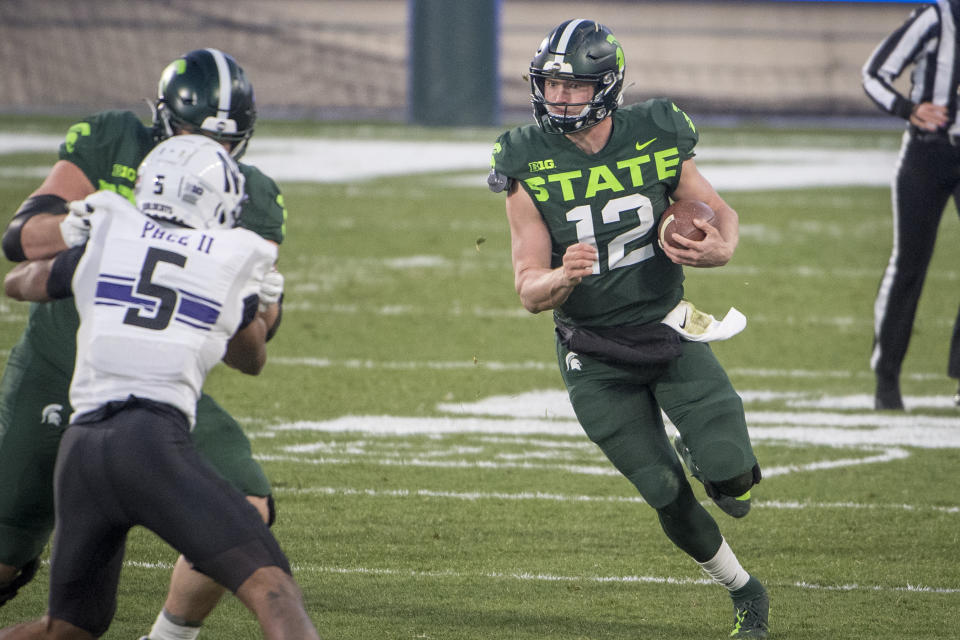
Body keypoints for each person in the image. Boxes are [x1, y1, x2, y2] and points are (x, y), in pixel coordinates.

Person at [488, 19, 769, 638]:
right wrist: (561, 277)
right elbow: (527, 286)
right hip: (593, 354)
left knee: (730, 471)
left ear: (607, 85)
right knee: (663, 489)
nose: (559, 97)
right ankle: (745, 590)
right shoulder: (524, 157)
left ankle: (707, 453)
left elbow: (716, 210)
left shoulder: (658, 130)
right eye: (550, 84)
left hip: (667, 327)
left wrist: (722, 247)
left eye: (573, 85)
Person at [0, 48, 288, 640]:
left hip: (159, 379)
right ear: (162, 120)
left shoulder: (249, 194)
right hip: (61, 363)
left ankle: (169, 637)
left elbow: (251, 352)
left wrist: (254, 303)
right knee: (5, 557)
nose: (212, 151)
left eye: (227, 140)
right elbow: (19, 242)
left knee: (248, 503)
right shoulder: (112, 142)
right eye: (190, 132)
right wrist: (74, 227)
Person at [862, 0, 960, 410]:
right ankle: (887, 379)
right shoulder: (937, 16)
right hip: (927, 153)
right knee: (909, 264)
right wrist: (907, 109)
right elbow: (873, 73)